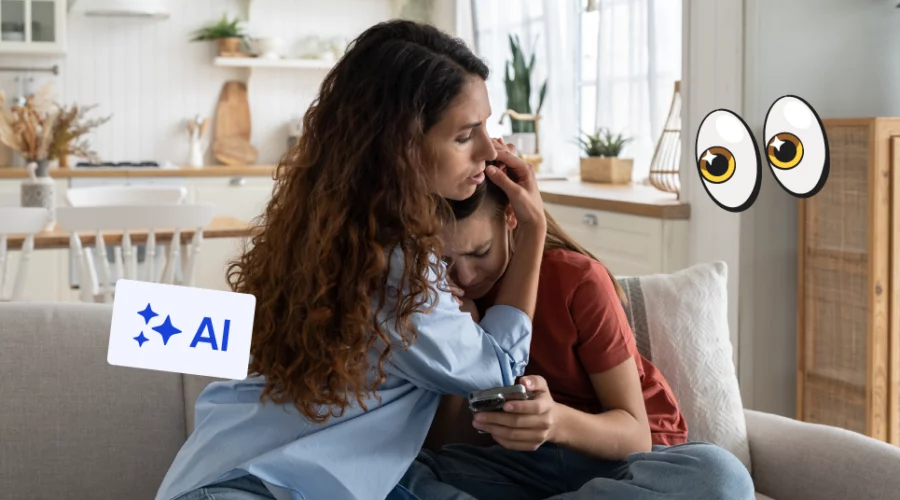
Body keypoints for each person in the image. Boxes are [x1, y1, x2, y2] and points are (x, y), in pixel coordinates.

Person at [154, 20, 548, 500]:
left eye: (486, 127)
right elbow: (499, 375)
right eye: (465, 135)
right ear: (403, 145)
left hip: (220, 475)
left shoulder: (326, 230)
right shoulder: (398, 263)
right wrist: (534, 233)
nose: (489, 150)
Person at [398, 176, 756, 500]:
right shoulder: (433, 298)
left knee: (720, 476)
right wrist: (462, 335)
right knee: (394, 476)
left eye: (480, 253)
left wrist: (554, 421)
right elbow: (444, 445)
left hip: (619, 465)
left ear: (510, 218)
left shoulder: (576, 280)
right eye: (441, 259)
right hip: (515, 466)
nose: (463, 275)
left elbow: (635, 434)